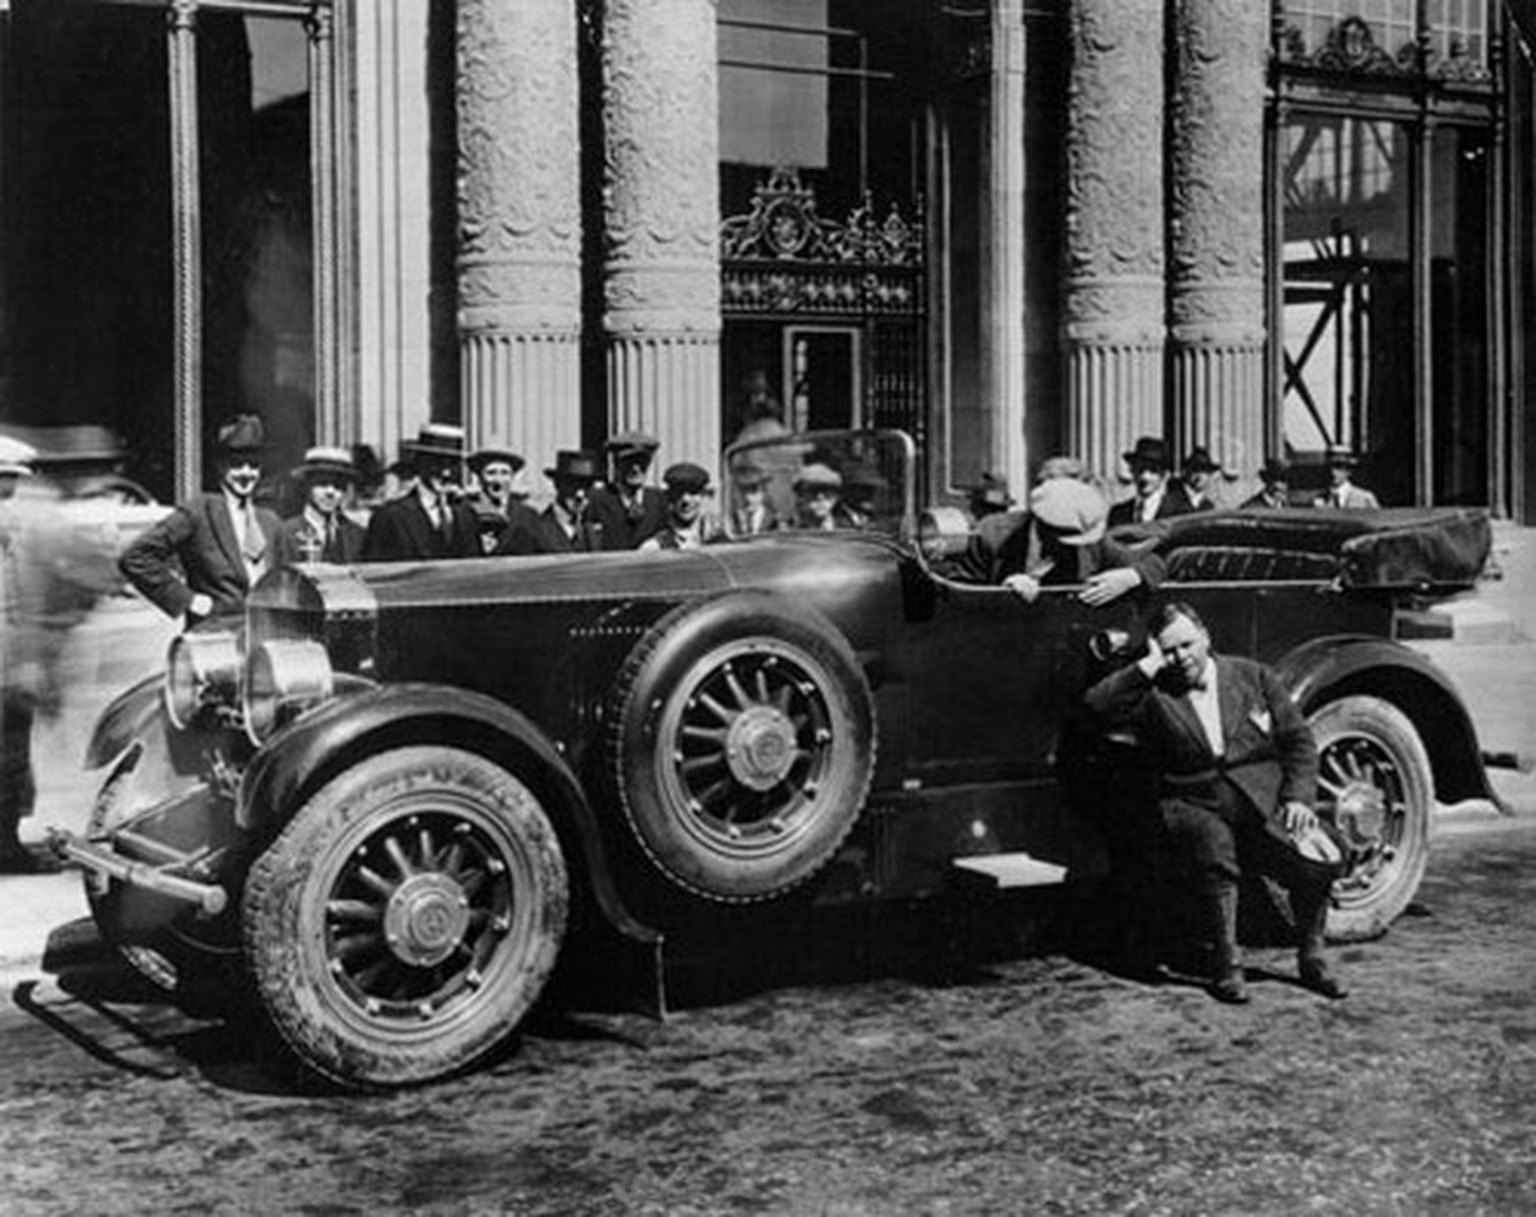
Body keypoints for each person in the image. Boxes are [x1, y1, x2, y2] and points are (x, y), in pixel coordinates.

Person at [1084, 600, 1347, 1005]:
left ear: (1206, 637)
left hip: (1261, 799)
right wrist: (1148, 666)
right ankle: (1227, 964)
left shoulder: (1252, 676)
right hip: (1191, 803)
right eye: (1170, 650)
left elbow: (1298, 741)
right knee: (1215, 851)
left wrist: (1299, 800)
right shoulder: (1154, 692)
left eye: (1188, 644)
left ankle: (1312, 958)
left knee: (1320, 854)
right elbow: (1096, 707)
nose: (1181, 657)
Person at [120, 414, 296, 630]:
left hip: (267, 634)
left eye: (254, 466)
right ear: (220, 466)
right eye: (237, 465)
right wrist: (188, 599)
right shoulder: (200, 512)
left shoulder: (270, 522)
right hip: (216, 638)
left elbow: (287, 581)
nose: (246, 473)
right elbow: (136, 557)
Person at [995, 475, 1166, 606]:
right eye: (1068, 540)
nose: (1075, 547)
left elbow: (1155, 563)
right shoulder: (994, 538)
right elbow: (969, 606)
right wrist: (1002, 593)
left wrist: (1132, 576)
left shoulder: (1094, 543)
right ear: (1042, 526)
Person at [361, 423, 483, 561]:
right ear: (420, 462)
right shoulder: (391, 516)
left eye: (452, 464)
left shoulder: (466, 515)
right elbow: (372, 573)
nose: (446, 472)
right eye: (439, 462)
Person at [497, 449, 605, 554]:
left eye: (586, 486)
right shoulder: (532, 530)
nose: (580, 495)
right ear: (557, 484)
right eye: (573, 485)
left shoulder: (593, 532)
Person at [282, 446, 366, 564]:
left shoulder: (356, 534)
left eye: (338, 486)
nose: (330, 492)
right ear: (307, 486)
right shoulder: (287, 533)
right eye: (322, 483)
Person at [589, 431, 667, 550]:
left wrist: (658, 542)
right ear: (615, 463)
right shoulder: (597, 500)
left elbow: (672, 535)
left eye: (642, 461)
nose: (636, 468)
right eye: (629, 462)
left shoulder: (659, 500)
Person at [1108, 436, 1196, 526]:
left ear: (1164, 476)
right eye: (1140, 469)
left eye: (1153, 471)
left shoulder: (1181, 512)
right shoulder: (1118, 514)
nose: (1145, 477)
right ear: (1132, 471)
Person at [465, 445, 532, 554]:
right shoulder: (464, 513)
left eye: (504, 473)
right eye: (491, 473)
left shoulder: (528, 516)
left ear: (512, 477)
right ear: (479, 477)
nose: (498, 480)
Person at [639, 462, 720, 551]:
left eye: (693, 492)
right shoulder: (655, 548)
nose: (686, 500)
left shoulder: (717, 539)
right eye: (678, 493)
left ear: (704, 496)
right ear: (669, 497)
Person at [791, 462, 854, 530]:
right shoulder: (786, 530)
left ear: (836, 497)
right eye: (812, 491)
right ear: (800, 496)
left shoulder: (852, 528)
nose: (820, 497)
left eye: (827, 492)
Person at [1314, 445, 1380, 509]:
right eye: (1329, 467)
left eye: (1338, 467)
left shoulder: (1365, 499)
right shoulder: (1319, 500)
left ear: (1349, 471)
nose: (1333, 472)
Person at [727, 459, 779, 536]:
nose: (747, 498)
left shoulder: (773, 522)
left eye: (753, 492)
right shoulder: (730, 522)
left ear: (763, 492)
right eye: (743, 491)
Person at [1178, 446, 1223, 512]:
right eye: (1195, 470)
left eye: (1204, 471)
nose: (1199, 475)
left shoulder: (1213, 503)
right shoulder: (1176, 500)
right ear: (1187, 472)